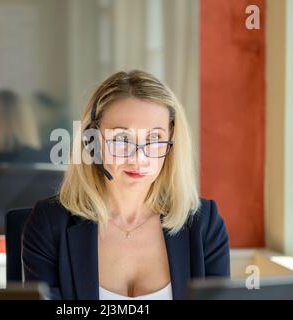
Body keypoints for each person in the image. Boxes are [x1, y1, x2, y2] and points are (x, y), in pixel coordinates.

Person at [22, 70, 230, 300]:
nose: (138, 159)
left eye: (153, 139)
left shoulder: (204, 224)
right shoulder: (50, 224)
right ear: (93, 142)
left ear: (172, 141)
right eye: (122, 139)